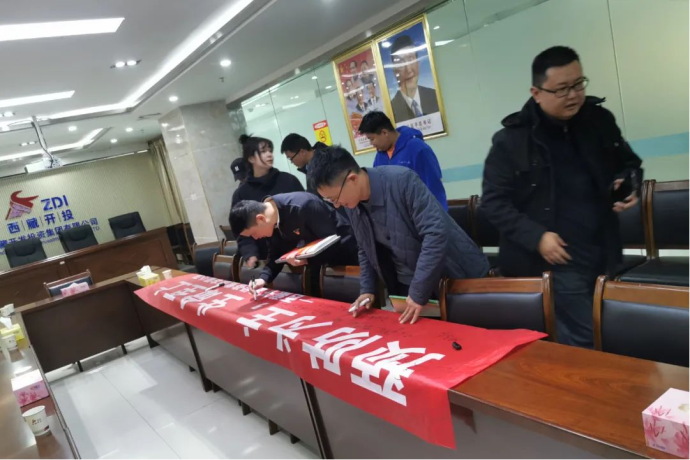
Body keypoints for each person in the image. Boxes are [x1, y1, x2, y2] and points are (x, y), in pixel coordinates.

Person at [481, 46, 642, 348]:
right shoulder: (511, 140)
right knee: (586, 340)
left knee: (610, 333)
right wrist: (537, 237)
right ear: (536, 92)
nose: (573, 95)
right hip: (554, 259)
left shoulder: (599, 120)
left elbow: (629, 163)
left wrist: (628, 182)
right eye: (562, 89)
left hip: (602, 248)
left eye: (579, 84)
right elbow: (493, 202)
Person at [308, 146, 489, 325]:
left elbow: (435, 234)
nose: (336, 205)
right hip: (407, 283)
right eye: (330, 201)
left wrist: (418, 291)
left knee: (469, 333)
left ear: (352, 179)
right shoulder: (351, 202)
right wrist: (367, 289)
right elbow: (364, 246)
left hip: (451, 274)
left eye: (334, 198)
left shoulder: (402, 180)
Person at [230, 192, 359, 294]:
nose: (256, 238)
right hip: (323, 269)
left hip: (349, 261)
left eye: (253, 233)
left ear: (260, 219)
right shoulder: (271, 224)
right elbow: (276, 253)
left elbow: (332, 242)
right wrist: (263, 278)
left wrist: (306, 260)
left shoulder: (304, 205)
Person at [231, 134, 304, 268]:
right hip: (265, 261)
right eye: (263, 151)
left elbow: (305, 219)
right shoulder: (241, 193)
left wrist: (301, 248)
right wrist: (250, 253)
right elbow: (241, 231)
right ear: (251, 158)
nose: (269, 154)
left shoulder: (289, 180)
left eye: (270, 150)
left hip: (298, 256)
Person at [359, 111, 447, 210]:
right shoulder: (380, 156)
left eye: (372, 139)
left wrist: (438, 215)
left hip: (422, 213)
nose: (371, 144)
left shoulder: (417, 148)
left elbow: (434, 187)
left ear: (384, 133)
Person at [388, 35, 439, 122]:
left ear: (417, 63)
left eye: (411, 59)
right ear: (394, 71)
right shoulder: (391, 111)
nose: (408, 70)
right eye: (400, 63)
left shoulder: (434, 96)